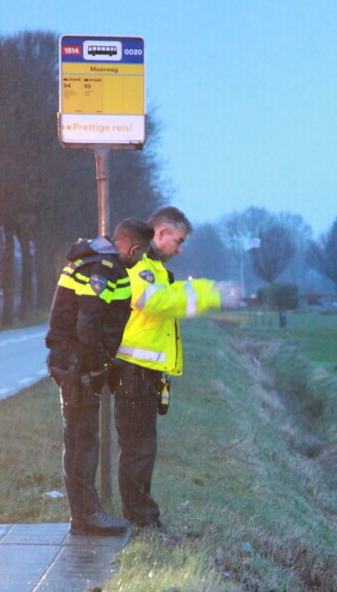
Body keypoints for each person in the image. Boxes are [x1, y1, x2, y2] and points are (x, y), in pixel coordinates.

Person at [113, 206, 229, 530]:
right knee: (137, 449)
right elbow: (159, 302)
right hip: (133, 373)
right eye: (177, 241)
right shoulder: (139, 266)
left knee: (141, 448)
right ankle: (141, 520)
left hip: (144, 374)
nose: (180, 249)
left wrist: (206, 289)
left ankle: (141, 515)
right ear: (160, 233)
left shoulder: (154, 266)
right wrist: (211, 295)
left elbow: (170, 295)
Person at [46, 218, 153, 535]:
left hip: (75, 361)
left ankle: (85, 513)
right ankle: (85, 516)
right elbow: (90, 323)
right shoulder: (101, 268)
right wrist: (96, 368)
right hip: (77, 364)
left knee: (81, 438)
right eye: (141, 253)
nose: (140, 259)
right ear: (133, 248)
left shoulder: (95, 261)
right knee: (82, 441)